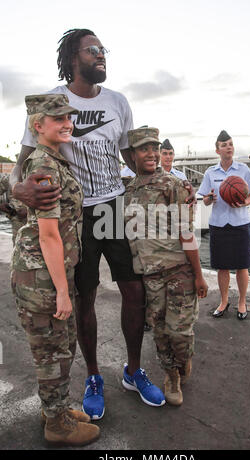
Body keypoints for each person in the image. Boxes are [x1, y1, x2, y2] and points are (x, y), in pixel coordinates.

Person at [10, 28, 165, 419]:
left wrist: (169, 181)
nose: (101, 55)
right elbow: (22, 162)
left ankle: (133, 371)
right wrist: (19, 190)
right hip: (75, 215)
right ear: (72, 58)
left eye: (103, 50)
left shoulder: (119, 101)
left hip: (113, 206)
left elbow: (134, 161)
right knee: (86, 297)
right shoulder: (52, 103)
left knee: (134, 291)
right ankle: (93, 377)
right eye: (92, 50)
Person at [11, 93, 100, 446]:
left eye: (69, 118)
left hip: (52, 274)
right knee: (52, 354)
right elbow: (48, 236)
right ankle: (57, 426)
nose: (68, 124)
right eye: (58, 119)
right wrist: (63, 290)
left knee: (62, 348)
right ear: (38, 125)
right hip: (43, 280)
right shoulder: (44, 167)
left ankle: (58, 409)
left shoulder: (54, 160)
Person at [124, 126, 208, 406]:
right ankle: (170, 374)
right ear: (132, 154)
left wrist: (198, 276)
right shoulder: (129, 190)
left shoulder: (173, 185)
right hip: (150, 276)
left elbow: (187, 232)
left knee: (180, 332)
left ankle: (183, 361)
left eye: (154, 148)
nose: (151, 153)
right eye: (143, 148)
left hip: (179, 272)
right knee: (160, 330)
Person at [198, 130, 250, 320]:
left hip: (240, 223)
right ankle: (224, 301)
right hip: (219, 224)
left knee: (242, 266)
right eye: (224, 145)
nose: (228, 147)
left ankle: (241, 302)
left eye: (230, 144)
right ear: (218, 151)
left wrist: (244, 202)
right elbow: (205, 200)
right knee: (222, 267)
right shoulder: (210, 172)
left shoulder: (243, 170)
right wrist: (209, 198)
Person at [0, 174, 27, 245]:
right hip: (18, 223)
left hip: (40, 223)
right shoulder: (9, 178)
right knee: (18, 249)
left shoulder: (39, 178)